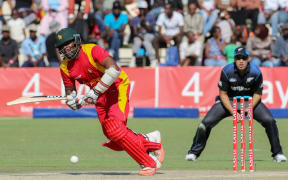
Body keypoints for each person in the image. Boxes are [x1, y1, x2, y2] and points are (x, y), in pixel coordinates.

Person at [55, 27, 164, 176]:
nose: (66, 48)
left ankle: (149, 163)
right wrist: (73, 101)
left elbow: (114, 69)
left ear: (76, 40)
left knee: (115, 129)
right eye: (62, 46)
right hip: (100, 96)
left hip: (117, 87)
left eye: (68, 43)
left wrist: (94, 91)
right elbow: (70, 92)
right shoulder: (65, 67)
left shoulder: (92, 50)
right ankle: (150, 141)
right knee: (113, 137)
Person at [185, 47, 287, 163]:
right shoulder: (226, 71)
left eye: (243, 58)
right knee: (205, 124)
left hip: (249, 101)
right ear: (234, 59)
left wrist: (249, 108)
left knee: (270, 121)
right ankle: (193, 153)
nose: (241, 61)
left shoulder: (256, 72)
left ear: (248, 59)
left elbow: (258, 94)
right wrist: (234, 112)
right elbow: (222, 94)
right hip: (229, 101)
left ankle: (278, 154)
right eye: (238, 58)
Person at [130, 0, 157, 67]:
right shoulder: (135, 18)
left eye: (143, 9)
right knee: (137, 41)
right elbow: (135, 32)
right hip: (139, 36)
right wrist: (140, 36)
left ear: (146, 9)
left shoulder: (150, 17)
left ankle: (152, 60)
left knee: (146, 40)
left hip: (149, 35)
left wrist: (144, 22)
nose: (141, 11)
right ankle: (133, 59)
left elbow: (151, 30)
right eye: (140, 9)